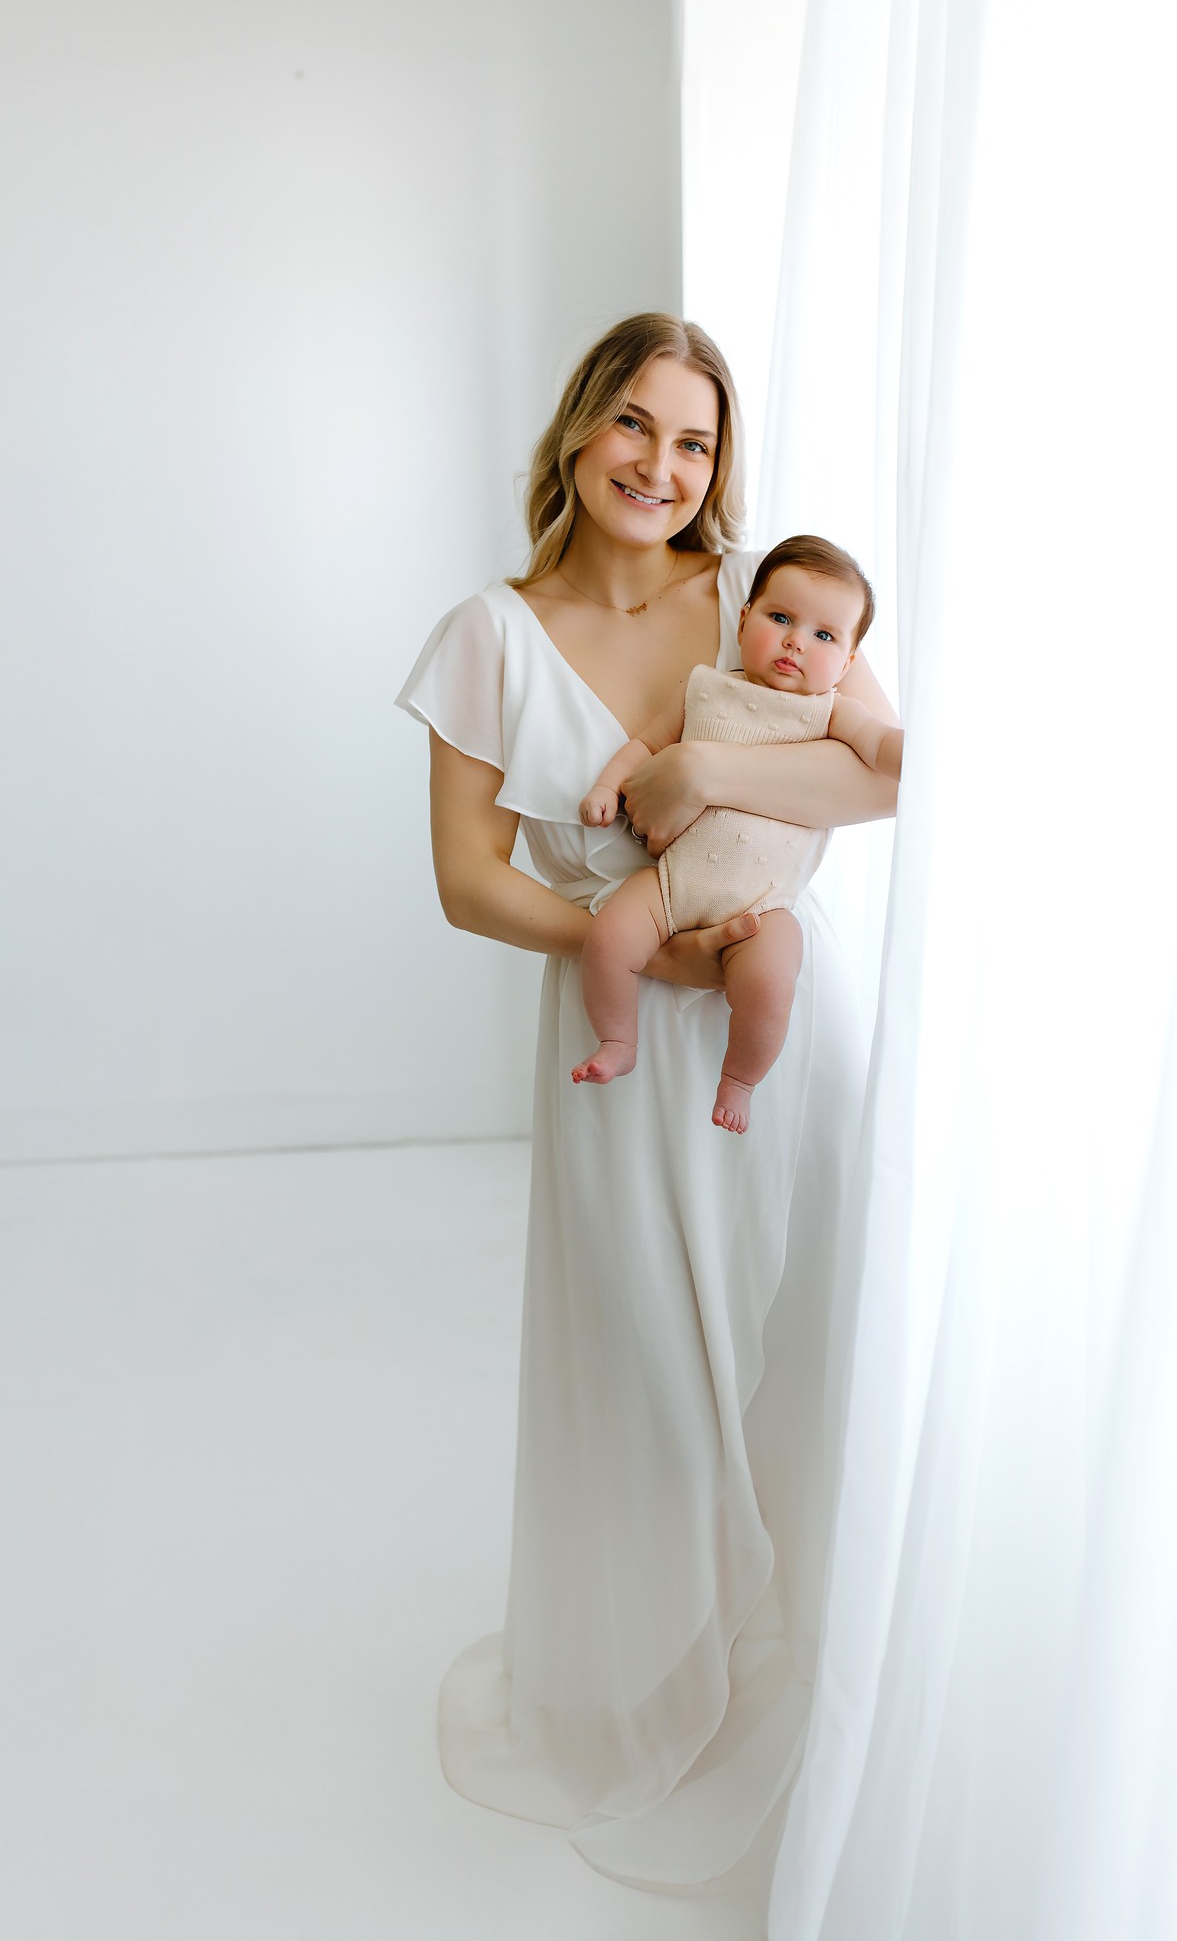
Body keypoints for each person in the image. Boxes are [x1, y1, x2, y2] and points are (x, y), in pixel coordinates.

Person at [395, 313, 898, 1893]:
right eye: (634, 427)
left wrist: (693, 786)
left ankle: (770, 1657)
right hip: (621, 1035)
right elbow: (470, 884)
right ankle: (643, 1683)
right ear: (575, 432)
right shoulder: (491, 630)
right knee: (640, 1366)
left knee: (772, 1342)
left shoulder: (760, 594)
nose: (661, 468)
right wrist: (652, 963)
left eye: (693, 442)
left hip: (770, 1027)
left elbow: (880, 775)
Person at [572, 534, 891, 1135]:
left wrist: (927, 751)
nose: (797, 640)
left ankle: (739, 1079)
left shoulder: (831, 712)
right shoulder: (704, 686)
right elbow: (644, 744)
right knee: (609, 936)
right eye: (780, 618)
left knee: (772, 980)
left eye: (825, 636)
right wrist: (604, 789)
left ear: (847, 663)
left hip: (761, 907)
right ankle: (617, 1039)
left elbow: (880, 748)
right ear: (744, 620)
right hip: (671, 883)